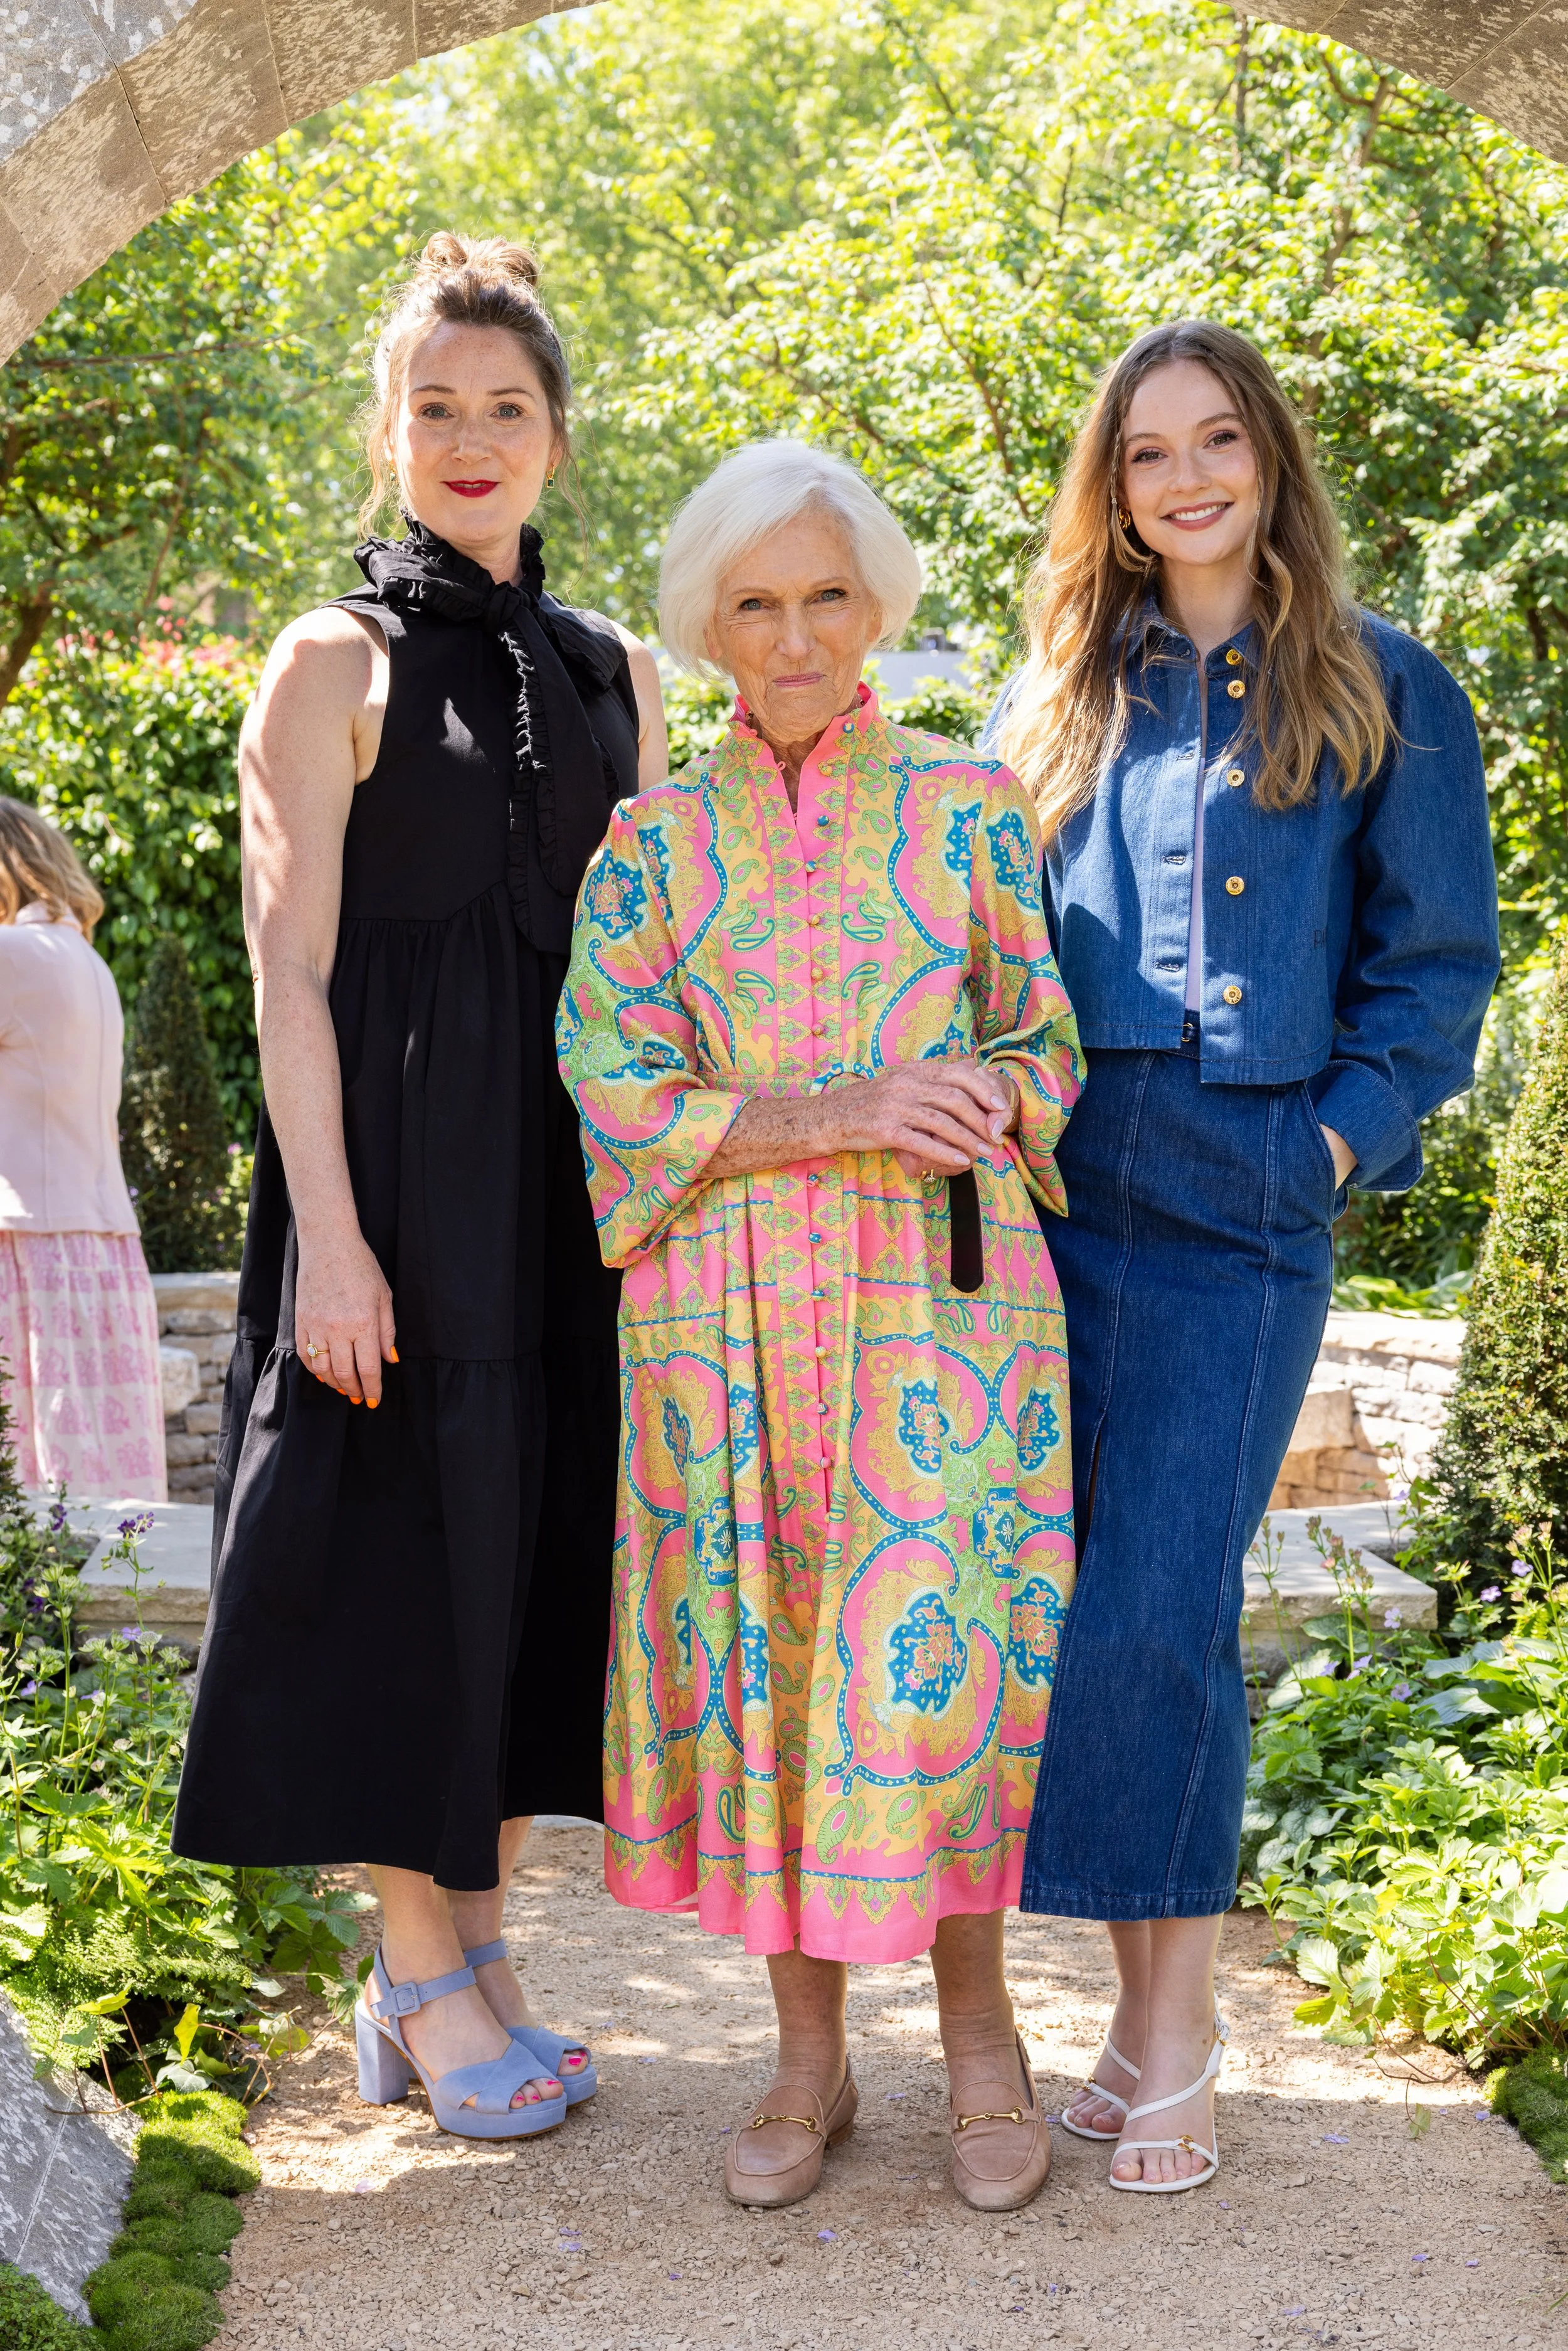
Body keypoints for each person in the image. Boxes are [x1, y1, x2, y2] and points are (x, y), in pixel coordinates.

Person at [983, 319, 1500, 2194]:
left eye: (1214, 441)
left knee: (1157, 1598)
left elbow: (1438, 963)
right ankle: (1139, 2024)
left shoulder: (1380, 685)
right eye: (1144, 453)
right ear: (1107, 489)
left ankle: (1174, 2033)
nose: (1184, 477)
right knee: (1088, 1598)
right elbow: (977, 940)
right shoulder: (1055, 693)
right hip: (1058, 1186)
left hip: (1246, 1191)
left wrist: (1334, 1137)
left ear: (1266, 459)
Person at [171, 235, 667, 2141]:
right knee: (387, 1562)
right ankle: (414, 1963)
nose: (468, 438)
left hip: (561, 1201)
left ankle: (476, 1949)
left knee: (538, 1558)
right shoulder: (328, 657)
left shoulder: (616, 664)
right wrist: (334, 1241)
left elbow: (641, 959)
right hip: (385, 1194)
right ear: (385, 430)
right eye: (433, 406)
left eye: (504, 408)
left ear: (553, 439)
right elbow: (286, 975)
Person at [559, 440, 1082, 2211]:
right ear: (709, 625)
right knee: (773, 1661)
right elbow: (608, 1084)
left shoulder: (968, 803)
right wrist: (842, 1107)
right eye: (756, 603)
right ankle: (804, 2060)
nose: (794, 637)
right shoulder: (647, 849)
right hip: (721, 1324)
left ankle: (985, 2047)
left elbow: (1047, 1048)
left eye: (827, 598)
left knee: (932, 1662)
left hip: (941, 1323)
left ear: (878, 609)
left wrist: (986, 1096)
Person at [0, 800, 166, 1504]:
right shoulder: (88, 962)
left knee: (28, 1496)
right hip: (103, 1251)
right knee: (96, 1485)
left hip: (27, 1246)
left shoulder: (13, 957)